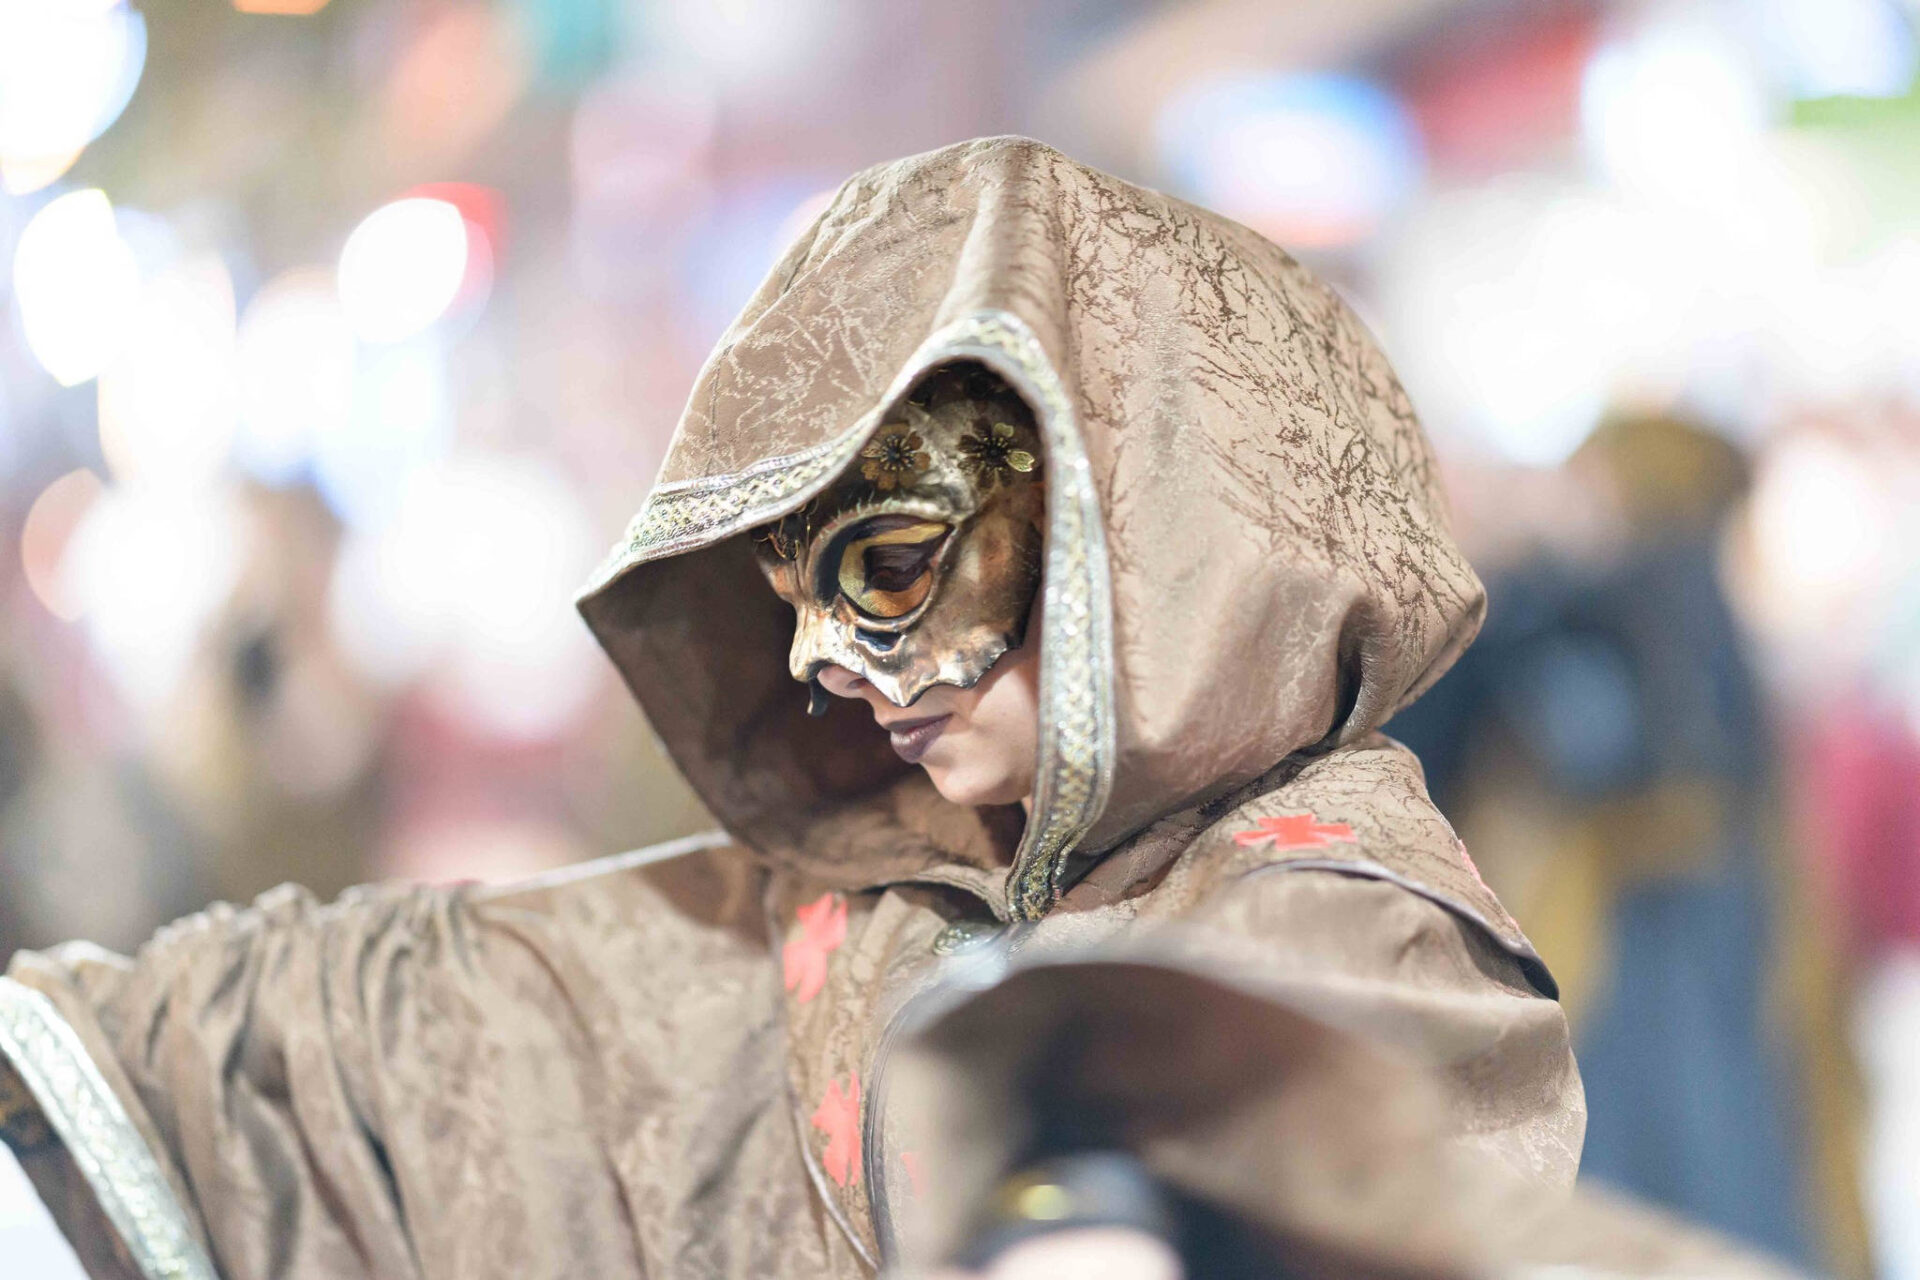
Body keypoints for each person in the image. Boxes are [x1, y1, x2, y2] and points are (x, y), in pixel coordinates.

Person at [0, 138, 1779, 1280]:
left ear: (1131, 526)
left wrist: (1087, 1188)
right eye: (791, 598)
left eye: (892, 563)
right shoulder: (837, 909)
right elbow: (403, 1028)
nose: (815, 669)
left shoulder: (1349, 914)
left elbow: (1263, 1112)